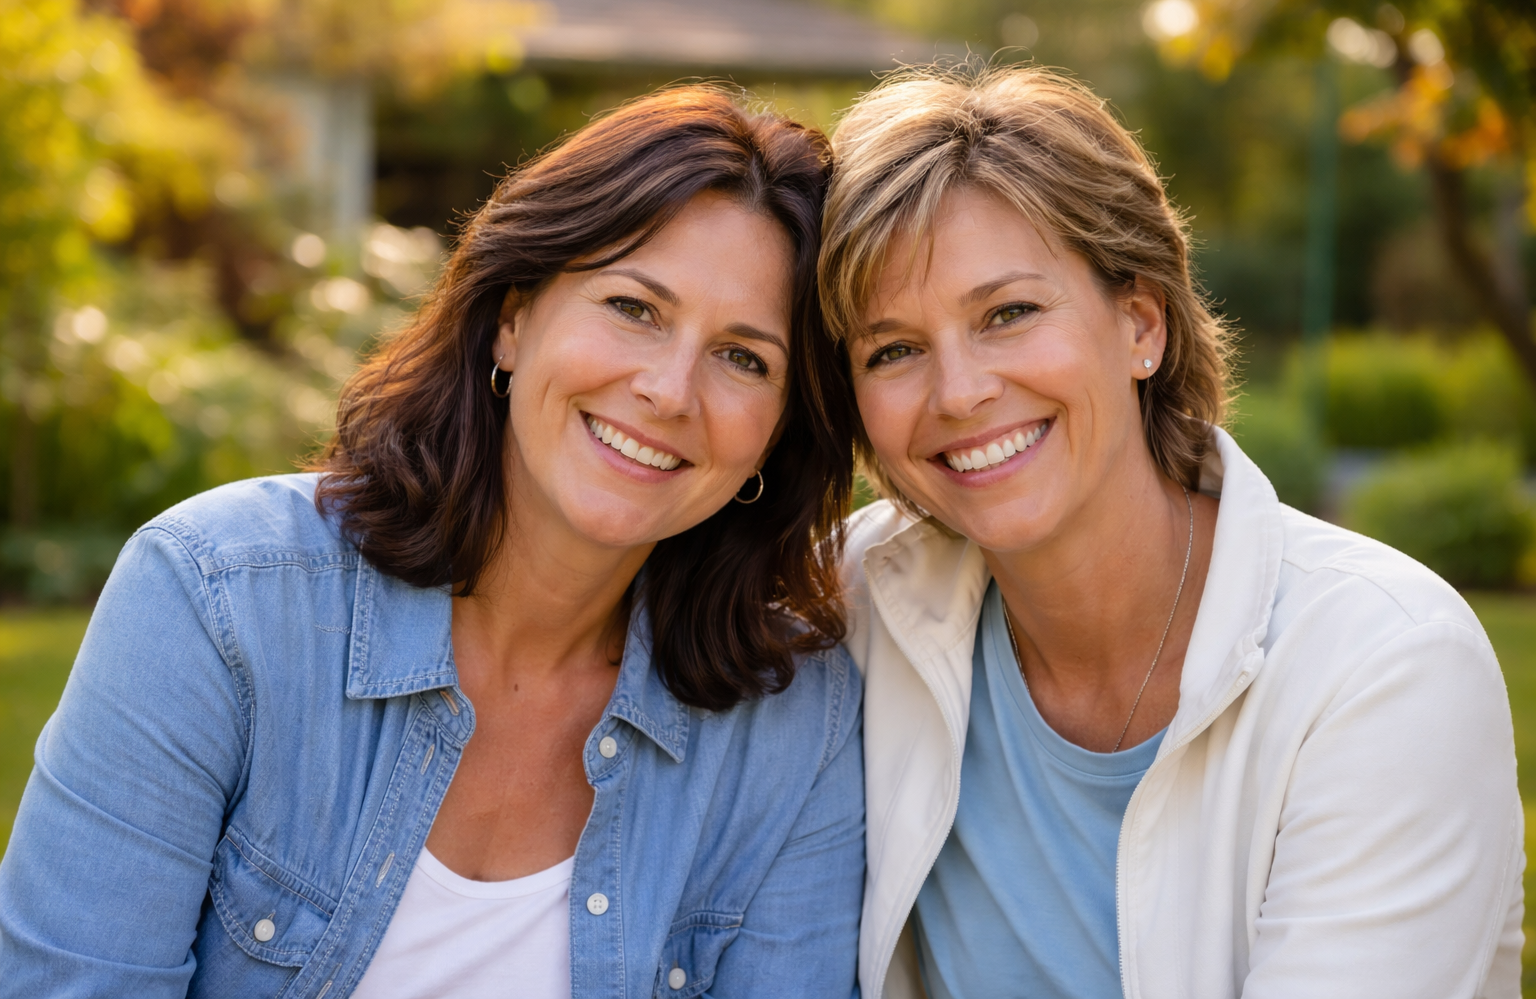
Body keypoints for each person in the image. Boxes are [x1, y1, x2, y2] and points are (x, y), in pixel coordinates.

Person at [0, 86, 866, 999]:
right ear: (512, 319)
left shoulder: (792, 723)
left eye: (744, 358)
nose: (670, 389)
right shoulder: (219, 600)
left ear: (780, 428)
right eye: (632, 306)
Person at [818, 65, 1522, 999]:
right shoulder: (854, 606)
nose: (959, 393)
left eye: (1010, 314)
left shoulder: (1385, 666)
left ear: (1141, 323)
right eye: (893, 349)